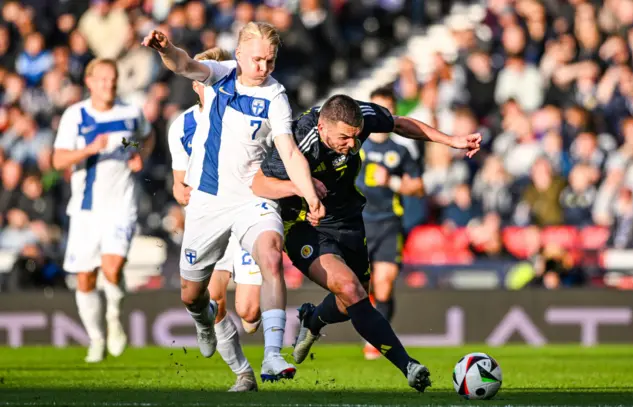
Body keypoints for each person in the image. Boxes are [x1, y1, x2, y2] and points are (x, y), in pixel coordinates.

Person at [252, 94, 481, 392]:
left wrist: (452, 141)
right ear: (322, 127)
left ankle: (313, 319)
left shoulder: (360, 116)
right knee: (350, 289)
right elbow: (259, 183)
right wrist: (302, 186)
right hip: (304, 224)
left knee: (351, 303)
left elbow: (399, 124)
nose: (352, 145)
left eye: (357, 136)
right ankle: (409, 366)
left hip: (348, 218)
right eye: (344, 137)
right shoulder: (298, 140)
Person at [141, 22, 325, 381]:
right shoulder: (219, 76)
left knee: (270, 257)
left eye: (270, 61)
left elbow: (288, 150)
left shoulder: (275, 97)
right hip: (208, 203)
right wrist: (165, 49)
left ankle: (273, 355)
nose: (264, 68)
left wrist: (308, 192)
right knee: (192, 297)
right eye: (257, 59)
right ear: (239, 53)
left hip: (251, 201)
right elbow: (183, 64)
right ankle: (204, 321)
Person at [167, 47, 261, 392]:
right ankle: (244, 373)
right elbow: (180, 182)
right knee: (212, 298)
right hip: (209, 214)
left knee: (249, 314)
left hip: (247, 209)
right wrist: (181, 193)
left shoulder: (247, 112)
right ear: (196, 82)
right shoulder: (182, 126)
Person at [52, 58, 155, 363]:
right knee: (85, 278)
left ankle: (113, 317)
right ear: (89, 81)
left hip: (121, 205)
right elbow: (58, 161)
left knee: (112, 268)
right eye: (102, 79)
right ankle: (96, 339)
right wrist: (88, 149)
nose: (108, 85)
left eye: (112, 79)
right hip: (86, 210)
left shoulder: (131, 111)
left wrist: (140, 156)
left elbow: (145, 138)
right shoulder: (76, 115)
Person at [356, 87, 424, 360]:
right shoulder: (355, 142)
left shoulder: (402, 149)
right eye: (376, 108)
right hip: (357, 223)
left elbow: (418, 187)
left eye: (386, 109)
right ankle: (373, 323)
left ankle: (376, 341)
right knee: (362, 287)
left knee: (384, 282)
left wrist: (393, 181)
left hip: (388, 223)